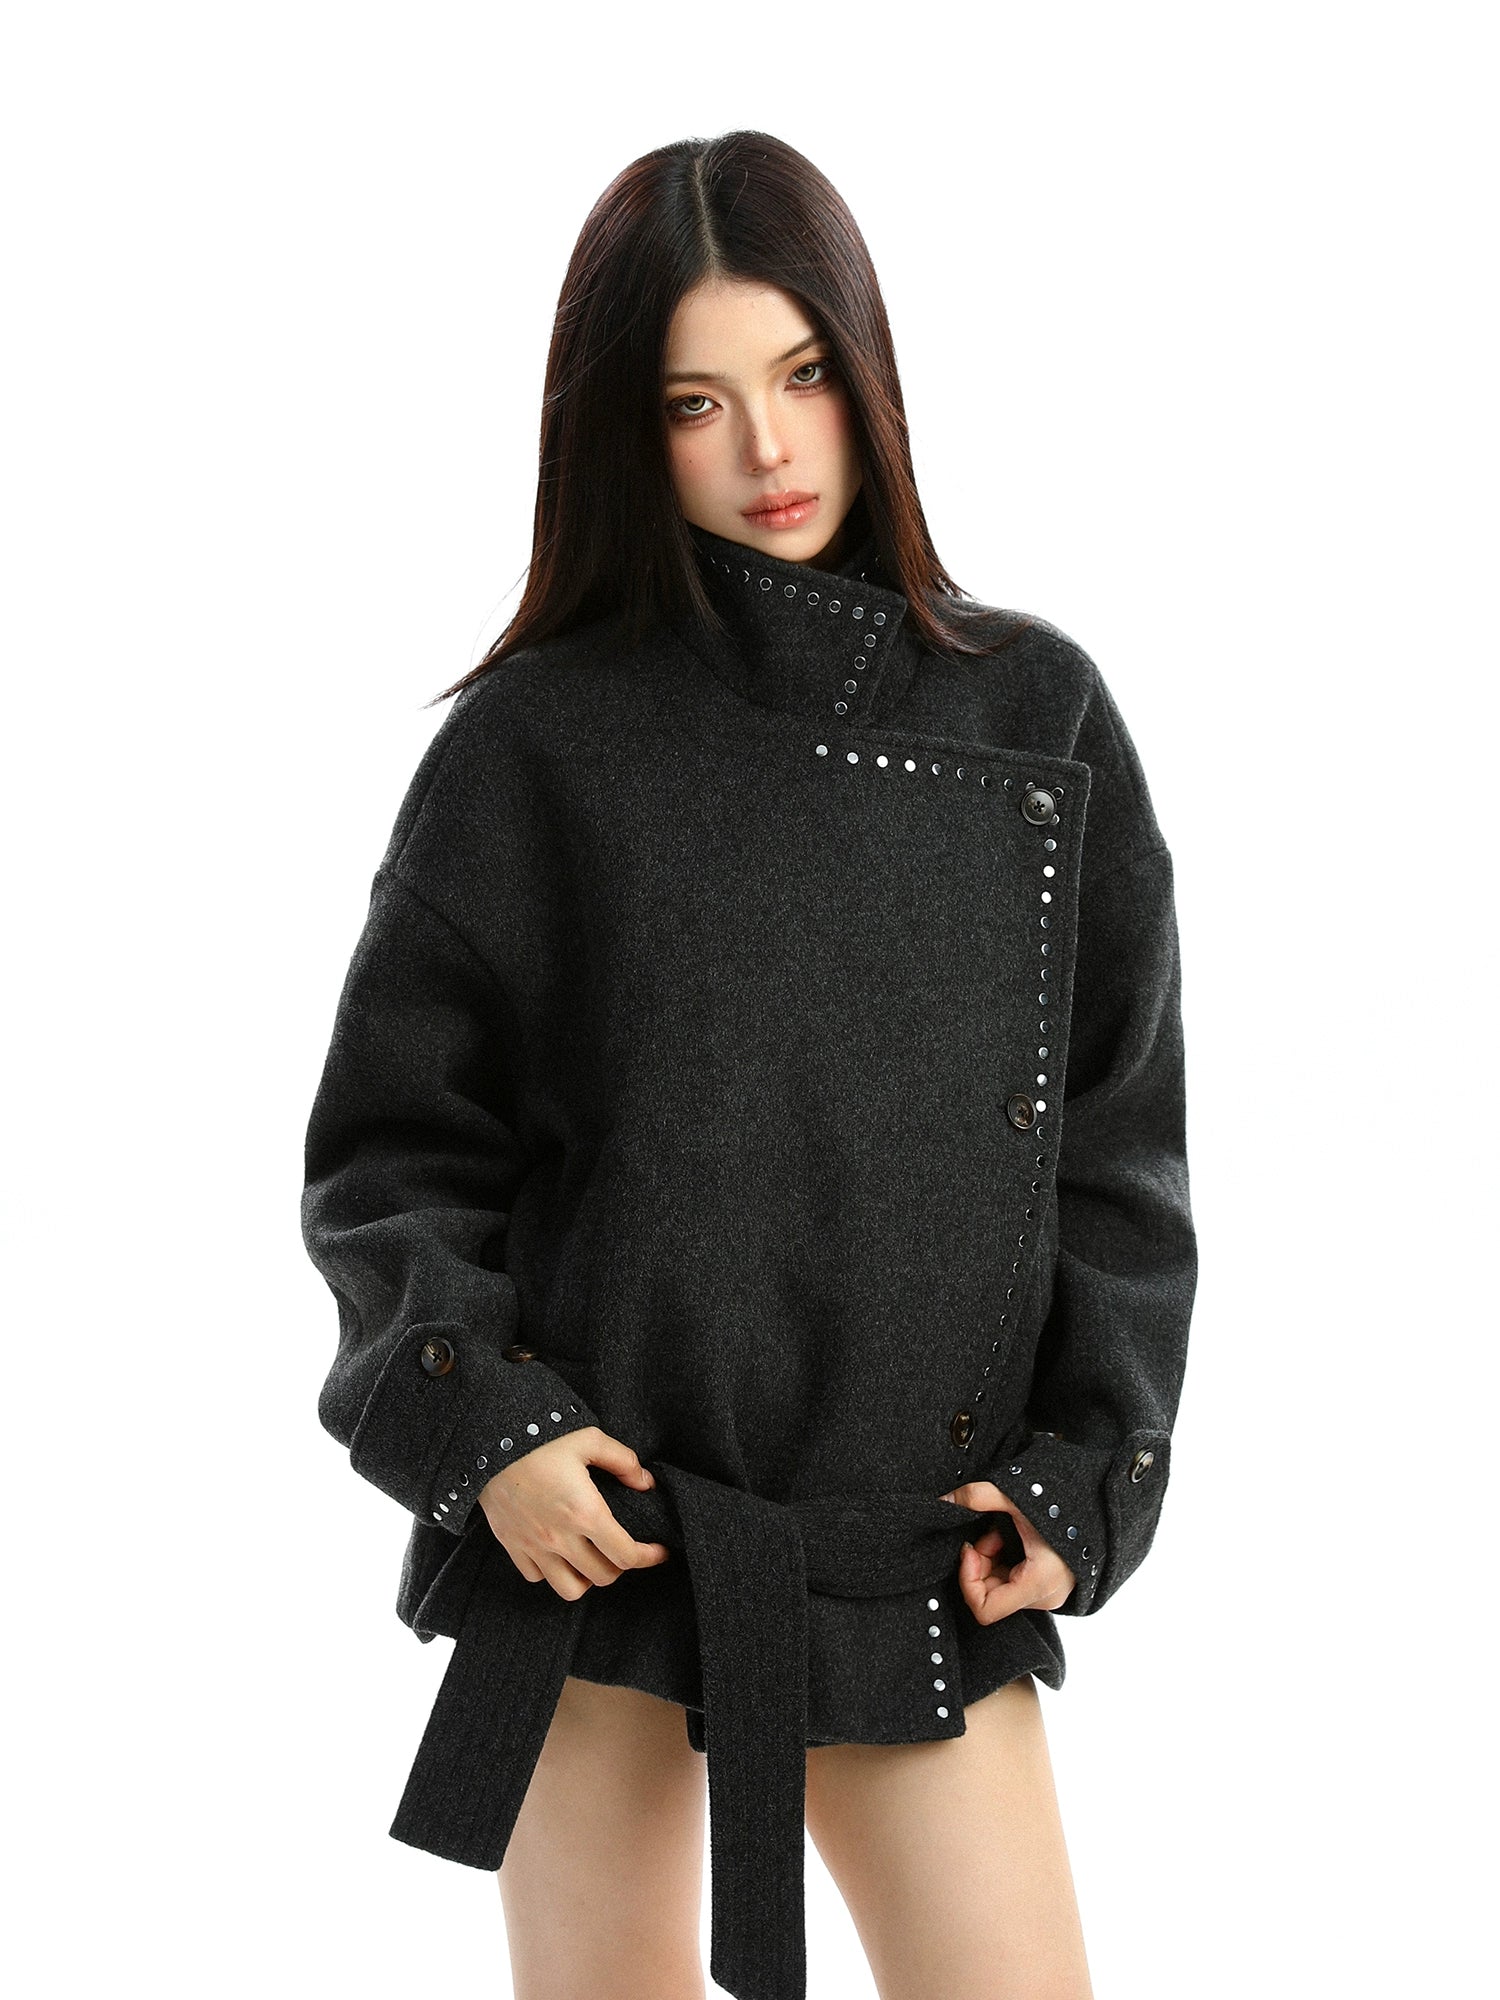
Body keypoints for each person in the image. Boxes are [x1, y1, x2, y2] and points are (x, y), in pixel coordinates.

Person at [301, 128, 1197, 2000]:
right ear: (624, 432)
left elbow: (1115, 1157)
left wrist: (1082, 1476)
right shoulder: (532, 748)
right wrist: (490, 1430)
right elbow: (391, 1157)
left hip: (914, 1565)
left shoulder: (1036, 712)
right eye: (695, 403)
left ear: (869, 373)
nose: (768, 451)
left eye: (803, 378)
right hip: (602, 1552)